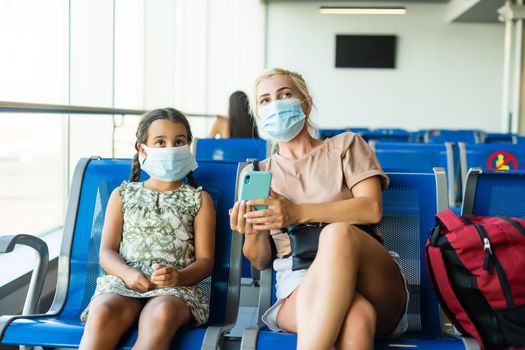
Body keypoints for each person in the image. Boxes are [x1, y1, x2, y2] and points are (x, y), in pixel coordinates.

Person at [229, 68, 408, 349]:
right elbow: (261, 260)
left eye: (285, 94)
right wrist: (252, 233)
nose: (275, 103)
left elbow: (371, 209)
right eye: (265, 100)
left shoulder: (346, 146)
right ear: (258, 115)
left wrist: (297, 212)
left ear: (306, 104)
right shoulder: (258, 173)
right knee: (357, 318)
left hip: (371, 276)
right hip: (299, 279)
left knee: (337, 234)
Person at [79, 108, 216, 350]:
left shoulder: (200, 200)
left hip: (176, 290)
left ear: (188, 147)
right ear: (143, 149)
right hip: (123, 283)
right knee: (103, 312)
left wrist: (179, 277)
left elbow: (206, 261)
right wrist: (128, 274)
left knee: (161, 314)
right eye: (160, 142)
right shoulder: (122, 195)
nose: (170, 149)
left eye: (178, 142)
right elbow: (107, 252)